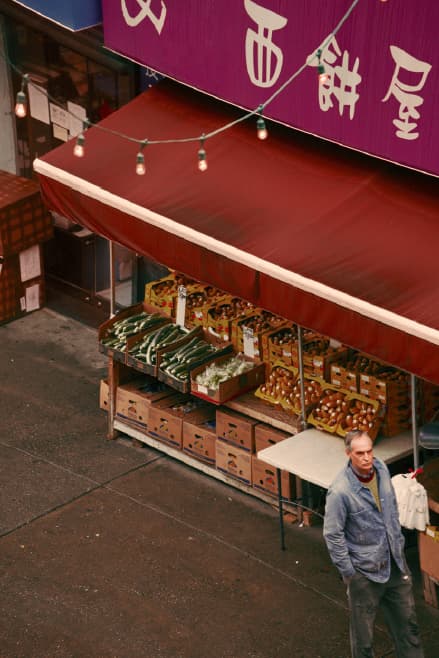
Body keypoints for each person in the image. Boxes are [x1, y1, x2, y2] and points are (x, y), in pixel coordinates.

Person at [323, 430, 424, 658]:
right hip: (364, 574)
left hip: (395, 566)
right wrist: (350, 574)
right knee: (364, 642)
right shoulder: (340, 492)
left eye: (369, 451)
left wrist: (397, 542)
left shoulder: (381, 469)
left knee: (409, 629)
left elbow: (391, 508)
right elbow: (332, 535)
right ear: (348, 454)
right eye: (360, 453)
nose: (367, 458)